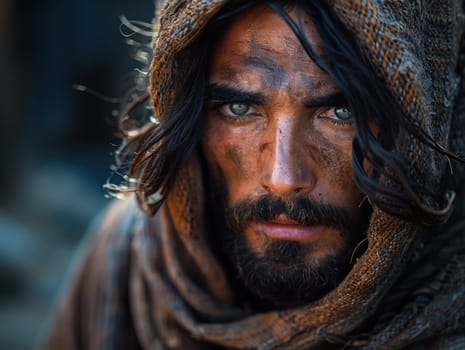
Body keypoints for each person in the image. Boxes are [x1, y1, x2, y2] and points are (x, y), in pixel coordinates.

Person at [45, 0, 465, 349]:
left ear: (423, 115)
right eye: (240, 109)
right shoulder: (131, 258)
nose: (283, 177)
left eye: (342, 113)